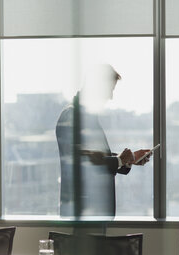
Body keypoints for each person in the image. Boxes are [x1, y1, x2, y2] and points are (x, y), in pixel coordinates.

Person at [56, 64, 151, 219]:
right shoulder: (71, 117)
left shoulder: (87, 117)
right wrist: (119, 160)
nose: (110, 97)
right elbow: (81, 162)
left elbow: (95, 156)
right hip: (81, 215)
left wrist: (129, 158)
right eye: (110, 90)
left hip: (94, 213)